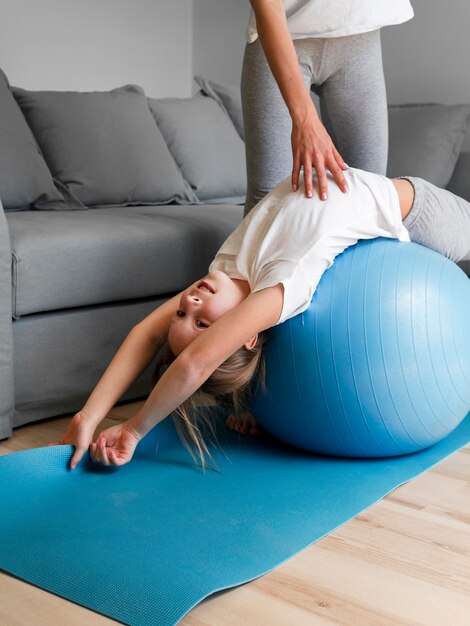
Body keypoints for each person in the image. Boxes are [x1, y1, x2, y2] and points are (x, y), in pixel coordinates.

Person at [52, 170, 470, 469]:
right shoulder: (283, 281)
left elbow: (145, 334)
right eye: (201, 325)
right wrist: (135, 430)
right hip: (422, 217)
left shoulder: (225, 269)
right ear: (245, 335)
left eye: (182, 312)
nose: (191, 301)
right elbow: (195, 363)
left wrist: (89, 416)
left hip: (409, 202)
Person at [243, 0, 414, 213]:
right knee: (268, 201)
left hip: (359, 37)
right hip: (280, 37)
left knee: (371, 195)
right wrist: (304, 119)